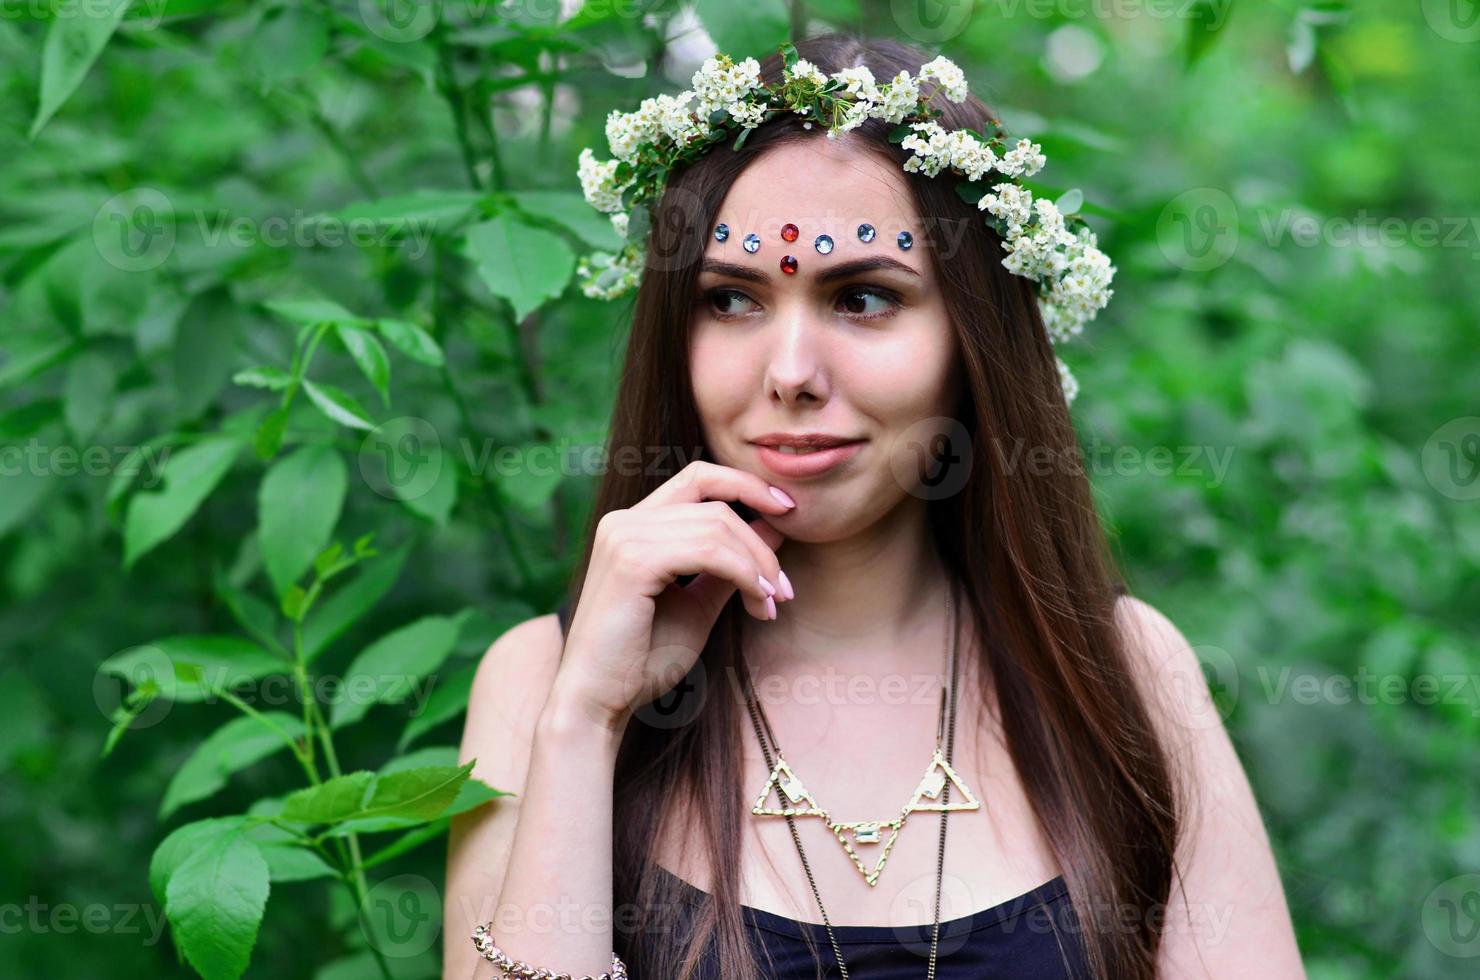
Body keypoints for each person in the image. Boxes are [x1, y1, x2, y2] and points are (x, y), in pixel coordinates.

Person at [445, 32, 1304, 980]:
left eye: (862, 298)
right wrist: (587, 724)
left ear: (974, 338)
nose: (791, 374)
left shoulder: (1122, 674)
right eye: (730, 301)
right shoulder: (539, 683)